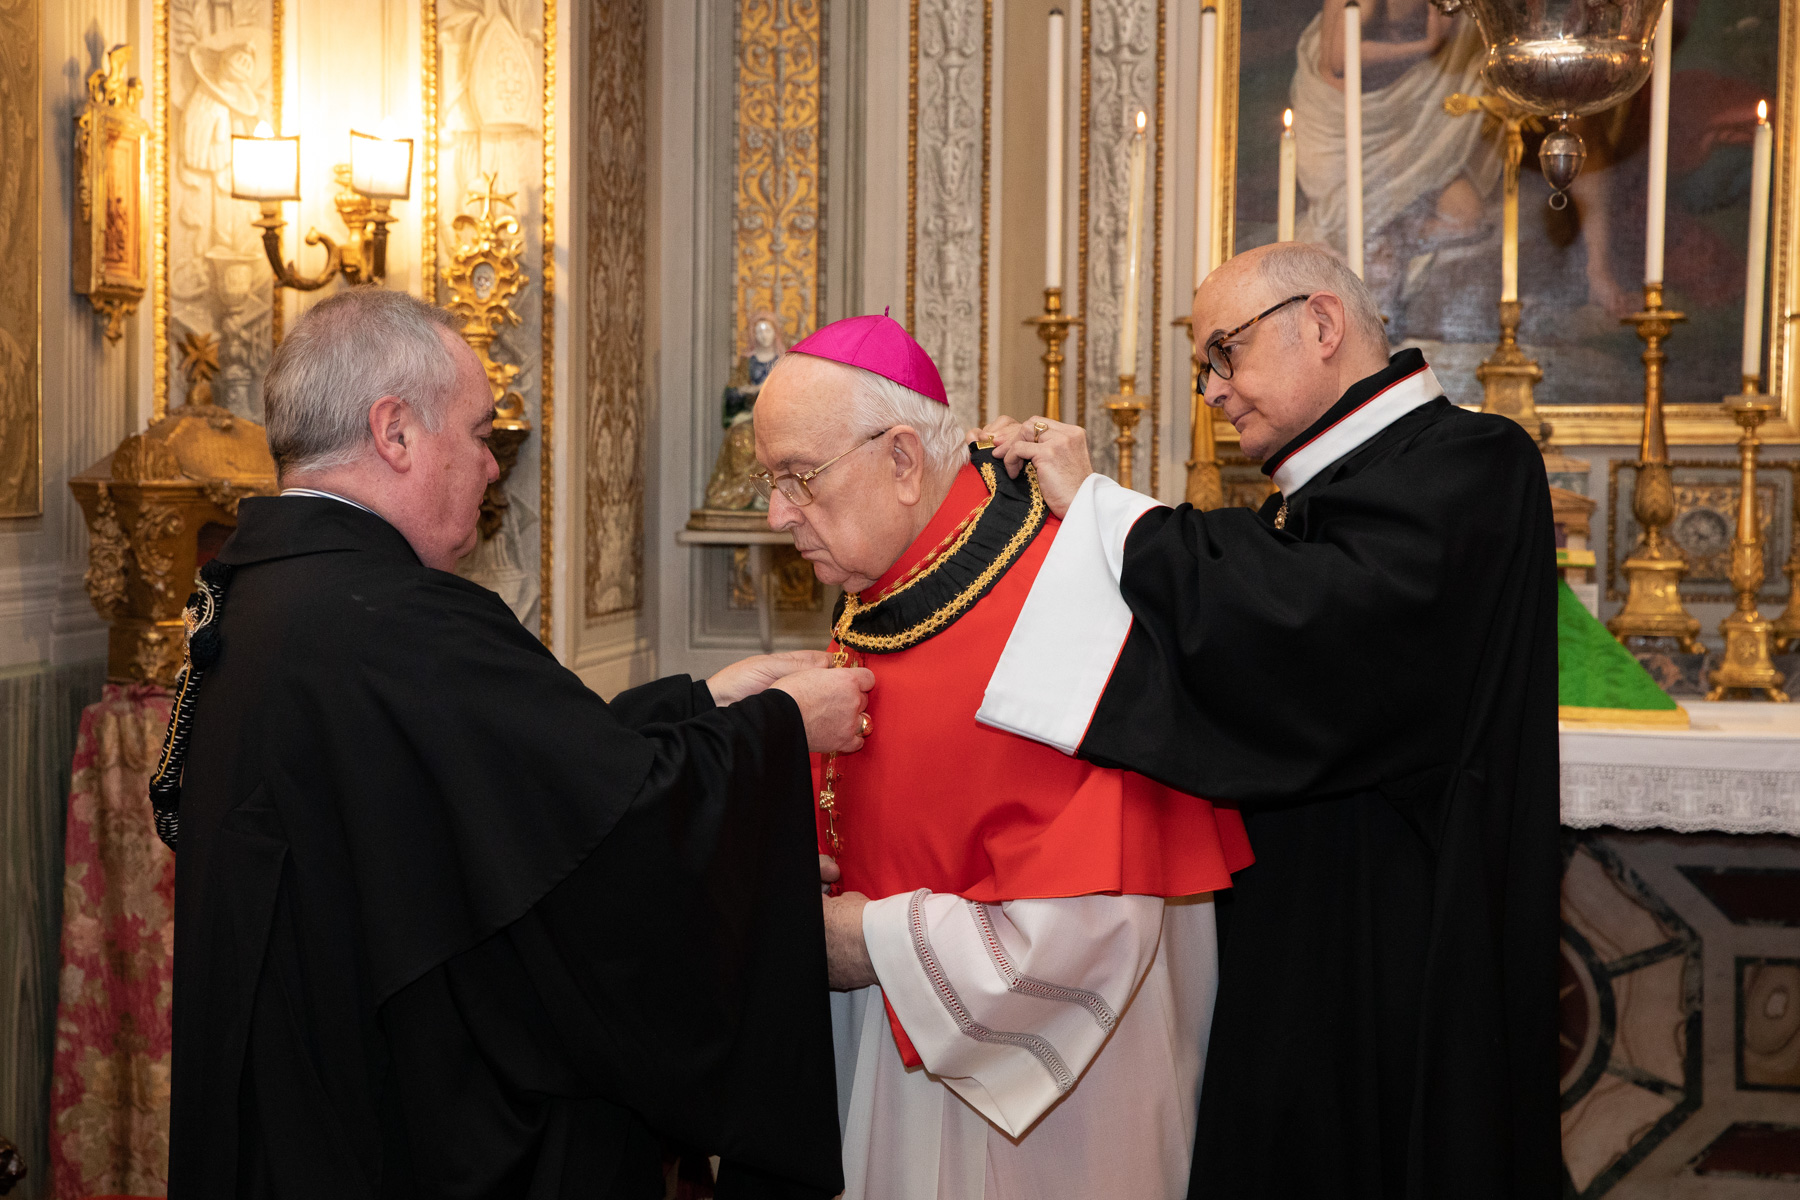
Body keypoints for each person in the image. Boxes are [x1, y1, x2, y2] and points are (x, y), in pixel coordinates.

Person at [159, 287, 873, 1199]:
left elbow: (507, 781)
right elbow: (604, 836)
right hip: (399, 1130)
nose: (494, 468)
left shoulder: (267, 594)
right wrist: (780, 732)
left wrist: (708, 702)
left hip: (297, 1111)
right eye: (479, 431)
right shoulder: (401, 623)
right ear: (396, 432)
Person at [979, 242, 1561, 1199]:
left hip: (1405, 939)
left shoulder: (1475, 462)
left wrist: (1105, 514)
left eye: (1222, 354)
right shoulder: (1321, 497)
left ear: (1322, 326)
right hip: (1307, 924)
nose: (1212, 390)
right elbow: (1254, 618)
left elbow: (1322, 630)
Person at [752, 314, 1253, 1199]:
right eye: (771, 479)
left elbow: (1093, 926)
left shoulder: (1068, 599)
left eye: (799, 478)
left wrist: (864, 940)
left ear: (903, 461)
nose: (776, 513)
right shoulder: (884, 575)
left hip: (1056, 1089)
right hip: (896, 1031)